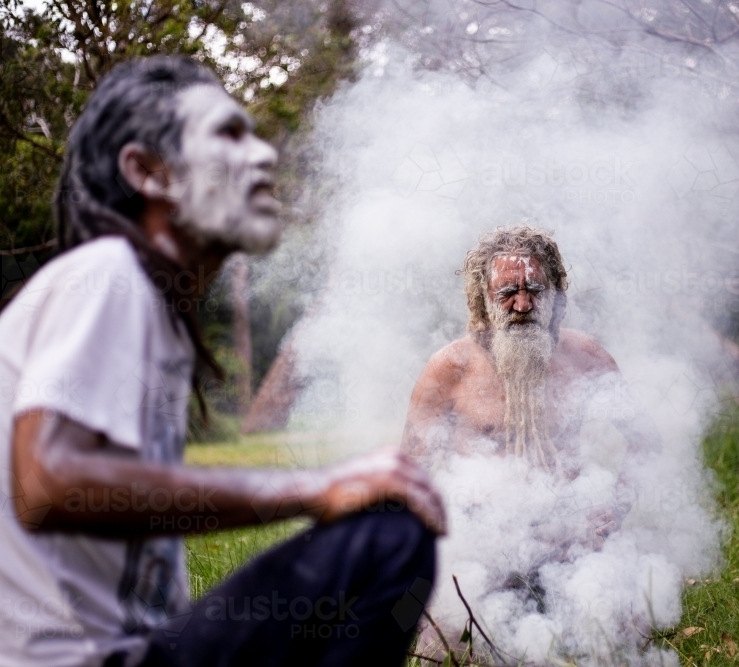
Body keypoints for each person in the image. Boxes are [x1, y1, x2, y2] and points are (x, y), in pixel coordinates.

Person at [0, 56, 445, 667]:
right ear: (149, 172)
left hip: (142, 647)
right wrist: (314, 487)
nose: (262, 154)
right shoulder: (107, 274)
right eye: (229, 134)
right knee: (390, 537)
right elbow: (45, 481)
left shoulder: (151, 314)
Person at [401, 225, 658, 544]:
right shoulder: (449, 368)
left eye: (535, 289)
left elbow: (645, 439)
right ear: (484, 297)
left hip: (567, 541)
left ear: (556, 293)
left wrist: (615, 508)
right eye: (508, 292)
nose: (523, 305)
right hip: (482, 544)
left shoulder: (585, 356)